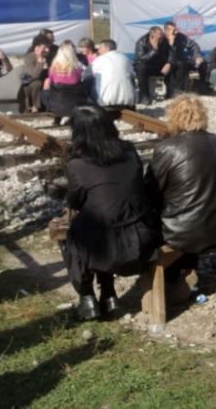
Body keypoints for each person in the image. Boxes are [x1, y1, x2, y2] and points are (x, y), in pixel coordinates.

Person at [63, 105, 161, 320]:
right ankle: (108, 295)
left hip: (107, 247)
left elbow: (75, 201)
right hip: (142, 236)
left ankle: (87, 299)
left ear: (78, 132)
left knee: (73, 236)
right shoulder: (130, 152)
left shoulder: (77, 164)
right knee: (102, 222)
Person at [145, 95, 216, 286]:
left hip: (180, 233)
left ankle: (175, 275)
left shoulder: (167, 148)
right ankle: (186, 268)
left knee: (154, 208)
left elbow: (151, 191)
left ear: (174, 117)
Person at [83, 39, 138, 108]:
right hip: (128, 100)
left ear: (107, 48)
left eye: (100, 48)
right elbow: (133, 75)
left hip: (104, 101)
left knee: (88, 81)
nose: (98, 51)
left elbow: (85, 76)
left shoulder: (99, 60)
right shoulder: (125, 59)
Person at [42, 42, 90, 118]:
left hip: (57, 105)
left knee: (46, 82)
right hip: (75, 103)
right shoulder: (78, 69)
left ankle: (48, 107)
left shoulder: (52, 70)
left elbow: (51, 82)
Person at [133, 26, 175, 105]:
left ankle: (171, 94)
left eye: (162, 37)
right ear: (152, 37)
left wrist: (169, 63)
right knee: (141, 68)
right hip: (146, 66)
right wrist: (154, 50)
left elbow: (171, 53)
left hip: (159, 66)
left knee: (175, 67)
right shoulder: (142, 42)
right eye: (159, 39)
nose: (161, 40)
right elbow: (143, 59)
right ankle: (145, 96)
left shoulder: (164, 41)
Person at [164, 21, 207, 94]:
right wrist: (171, 43)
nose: (176, 32)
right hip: (169, 63)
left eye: (176, 30)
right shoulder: (163, 39)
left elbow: (194, 45)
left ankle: (202, 87)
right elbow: (170, 56)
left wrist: (197, 56)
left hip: (182, 60)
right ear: (167, 32)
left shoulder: (180, 36)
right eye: (173, 31)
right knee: (180, 65)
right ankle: (181, 91)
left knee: (202, 63)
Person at [21, 34, 50, 112]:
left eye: (48, 47)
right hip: (30, 84)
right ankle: (35, 107)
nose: (47, 50)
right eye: (45, 48)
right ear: (37, 48)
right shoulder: (29, 57)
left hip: (47, 83)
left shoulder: (50, 57)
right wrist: (40, 60)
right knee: (37, 83)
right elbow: (34, 75)